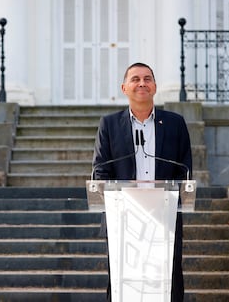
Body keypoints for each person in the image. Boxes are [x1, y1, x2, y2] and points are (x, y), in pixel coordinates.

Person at [92, 62, 192, 302]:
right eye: (135, 79)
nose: (142, 83)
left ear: (155, 87)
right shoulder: (109, 124)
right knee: (123, 286)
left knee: (169, 284)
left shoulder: (175, 123)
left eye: (147, 79)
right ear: (124, 87)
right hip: (123, 220)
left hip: (164, 217)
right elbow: (100, 172)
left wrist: (168, 193)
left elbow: (185, 170)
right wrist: (126, 193)